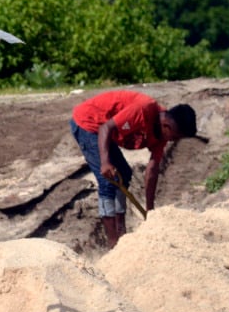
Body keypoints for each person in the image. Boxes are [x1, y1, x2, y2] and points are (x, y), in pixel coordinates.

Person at [69, 90, 196, 247]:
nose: (172, 141)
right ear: (167, 126)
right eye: (175, 137)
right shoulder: (143, 109)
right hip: (89, 122)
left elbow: (152, 170)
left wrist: (150, 211)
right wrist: (105, 162)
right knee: (107, 181)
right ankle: (113, 243)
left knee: (124, 173)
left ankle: (121, 231)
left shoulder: (162, 134)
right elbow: (105, 129)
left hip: (104, 129)